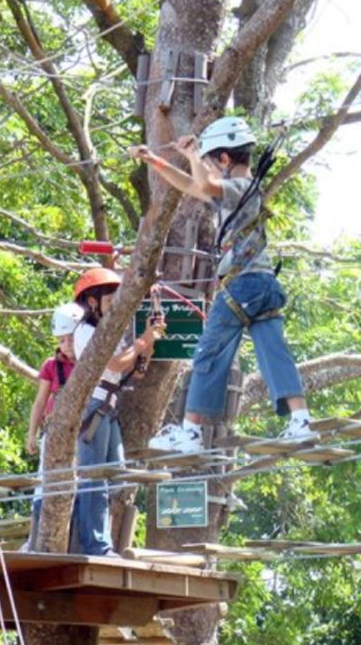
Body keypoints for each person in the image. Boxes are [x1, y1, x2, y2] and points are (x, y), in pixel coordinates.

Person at [129, 117, 311, 453]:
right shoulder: (241, 192)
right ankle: (300, 420)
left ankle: (191, 432)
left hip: (243, 286)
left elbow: (207, 184)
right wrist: (155, 160)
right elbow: (194, 185)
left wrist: (194, 154)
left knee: (209, 352)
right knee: (274, 350)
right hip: (263, 285)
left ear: (224, 159)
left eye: (212, 162)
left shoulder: (240, 188)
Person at [71, 268, 164, 556]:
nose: (114, 305)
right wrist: (143, 339)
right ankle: (96, 544)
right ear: (92, 302)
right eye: (110, 300)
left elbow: (135, 369)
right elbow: (114, 365)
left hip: (107, 407)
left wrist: (149, 341)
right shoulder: (86, 332)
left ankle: (90, 534)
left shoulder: (109, 334)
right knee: (95, 476)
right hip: (94, 405)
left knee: (116, 474)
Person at [22, 301, 83, 552]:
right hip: (54, 431)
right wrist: (32, 434)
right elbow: (40, 402)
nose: (66, 345)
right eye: (61, 340)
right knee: (44, 484)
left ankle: (74, 539)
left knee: (77, 483)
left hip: (82, 433)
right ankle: (35, 539)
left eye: (71, 339)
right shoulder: (52, 366)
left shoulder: (89, 363)